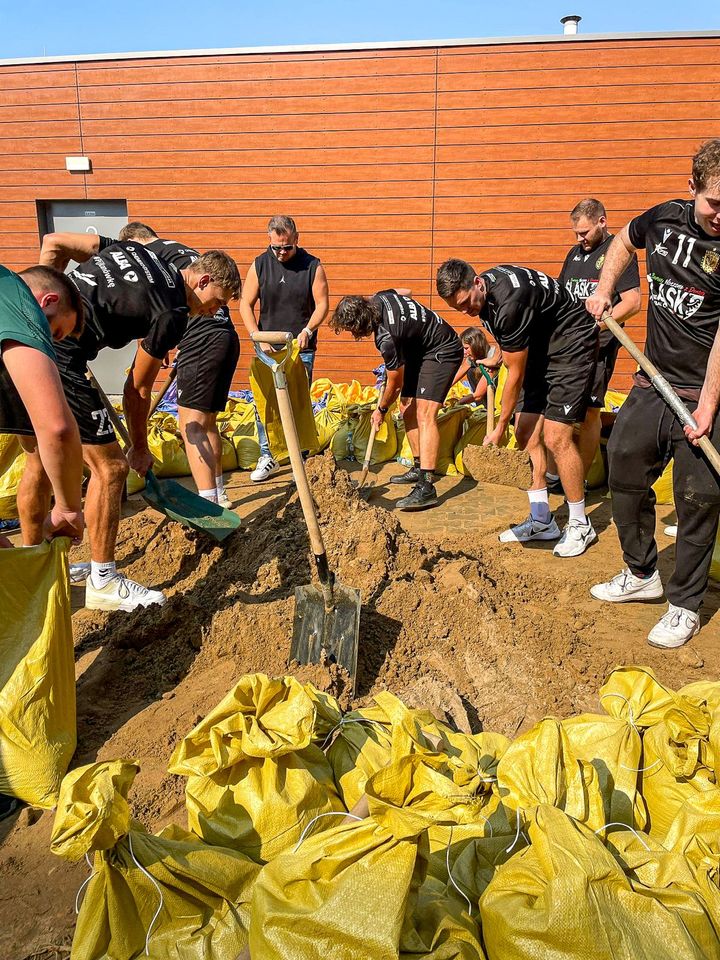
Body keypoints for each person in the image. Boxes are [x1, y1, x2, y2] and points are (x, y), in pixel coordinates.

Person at [33, 231, 240, 611]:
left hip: (34, 347)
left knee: (39, 462)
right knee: (111, 469)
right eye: (217, 303)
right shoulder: (173, 312)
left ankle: (40, 565)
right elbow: (136, 390)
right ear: (203, 280)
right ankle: (104, 579)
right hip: (63, 358)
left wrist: (34, 321)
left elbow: (55, 244)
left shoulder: (135, 251)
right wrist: (139, 448)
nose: (215, 312)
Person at [586, 138, 720, 648]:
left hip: (706, 386)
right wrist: (604, 288)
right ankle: (642, 573)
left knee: (697, 496)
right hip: (652, 379)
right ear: (692, 189)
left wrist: (707, 404)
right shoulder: (664, 218)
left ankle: (685, 603)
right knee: (622, 465)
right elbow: (622, 241)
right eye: (714, 203)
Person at [436, 260, 599, 557]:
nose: (465, 312)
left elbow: (515, 374)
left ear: (476, 283)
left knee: (555, 437)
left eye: (465, 303)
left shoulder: (509, 301)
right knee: (525, 434)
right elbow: (514, 349)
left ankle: (580, 523)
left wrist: (499, 426)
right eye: (456, 308)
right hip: (541, 348)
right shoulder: (487, 296)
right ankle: (541, 521)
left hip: (572, 344)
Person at [117, 222, 241, 507]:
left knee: (191, 426)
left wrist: (153, 348)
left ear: (134, 242)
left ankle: (209, 503)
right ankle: (219, 494)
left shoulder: (148, 257)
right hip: (226, 339)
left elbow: (148, 310)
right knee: (208, 424)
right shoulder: (181, 251)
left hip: (201, 340)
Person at [329, 288, 463, 510]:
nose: (353, 335)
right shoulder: (380, 297)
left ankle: (427, 486)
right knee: (406, 408)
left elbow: (395, 383)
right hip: (418, 350)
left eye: (352, 329)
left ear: (361, 323)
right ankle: (419, 467)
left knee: (425, 413)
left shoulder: (387, 338)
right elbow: (407, 292)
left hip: (442, 350)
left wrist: (380, 410)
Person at [548, 198, 641, 489]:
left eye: (585, 232)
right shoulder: (574, 255)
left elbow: (633, 302)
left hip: (597, 348)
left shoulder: (618, 253)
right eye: (575, 233)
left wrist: (594, 326)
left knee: (589, 412)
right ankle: (555, 476)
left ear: (602, 221)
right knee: (556, 410)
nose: (580, 238)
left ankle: (583, 479)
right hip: (566, 347)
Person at [0, 264, 85, 548]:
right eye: (55, 332)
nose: (50, 344)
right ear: (47, 302)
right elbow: (56, 427)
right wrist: (68, 508)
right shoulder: (19, 301)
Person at [239, 216, 328, 481]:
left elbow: (322, 304)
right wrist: (256, 336)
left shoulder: (312, 266)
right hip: (267, 347)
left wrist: (307, 330)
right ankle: (269, 455)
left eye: (286, 247)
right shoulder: (260, 264)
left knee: (297, 401)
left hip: (300, 347)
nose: (280, 252)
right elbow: (245, 303)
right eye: (276, 246)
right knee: (265, 404)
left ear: (296, 239)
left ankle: (299, 457)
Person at [451, 326, 503, 407]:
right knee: (471, 370)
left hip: (498, 401)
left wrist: (457, 404)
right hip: (482, 400)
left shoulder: (492, 358)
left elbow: (478, 395)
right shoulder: (472, 358)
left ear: (476, 345)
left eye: (466, 348)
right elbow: (453, 378)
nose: (464, 352)